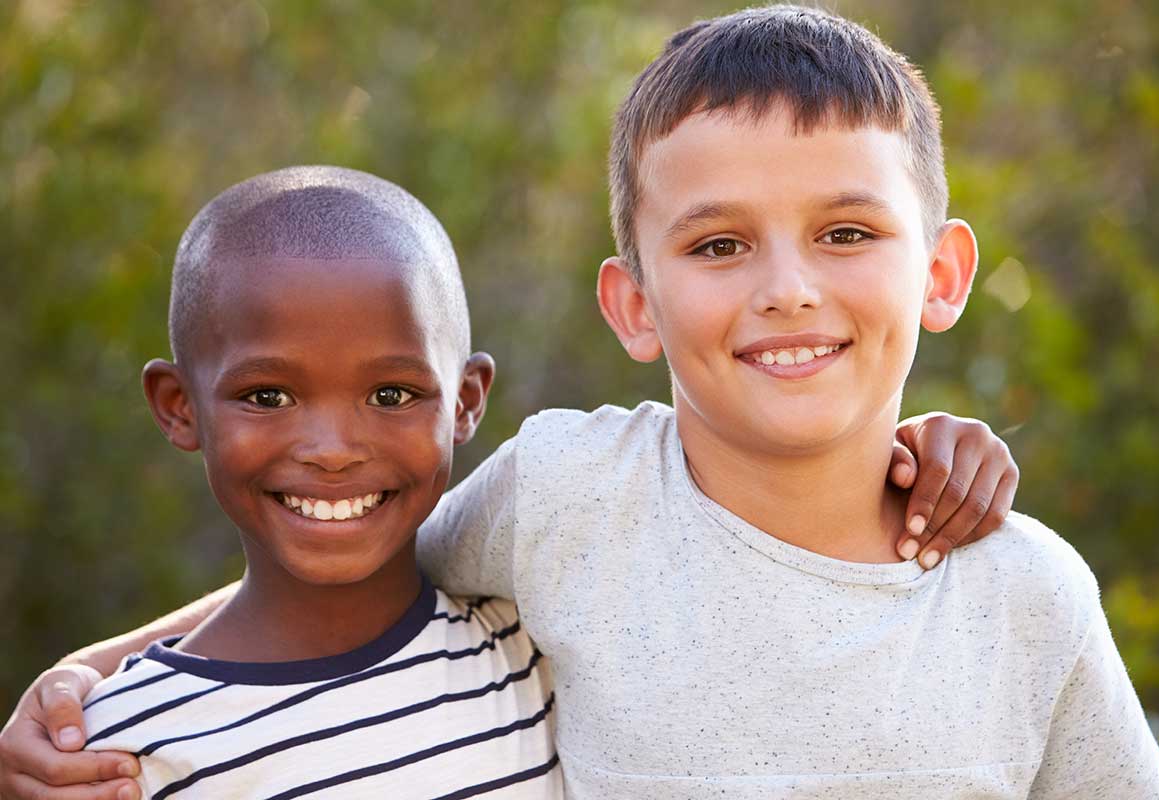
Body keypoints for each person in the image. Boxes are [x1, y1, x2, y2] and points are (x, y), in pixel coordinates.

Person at [0, 9, 1042, 800]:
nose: (788, 289)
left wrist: (919, 455)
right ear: (633, 305)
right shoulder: (566, 504)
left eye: (844, 233)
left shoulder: (1020, 588)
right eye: (721, 243)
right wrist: (86, 669)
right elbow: (360, 551)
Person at [4, 165, 562, 799]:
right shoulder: (117, 752)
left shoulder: (537, 641)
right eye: (267, 396)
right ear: (179, 406)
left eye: (391, 393)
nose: (332, 451)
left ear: (464, 402)